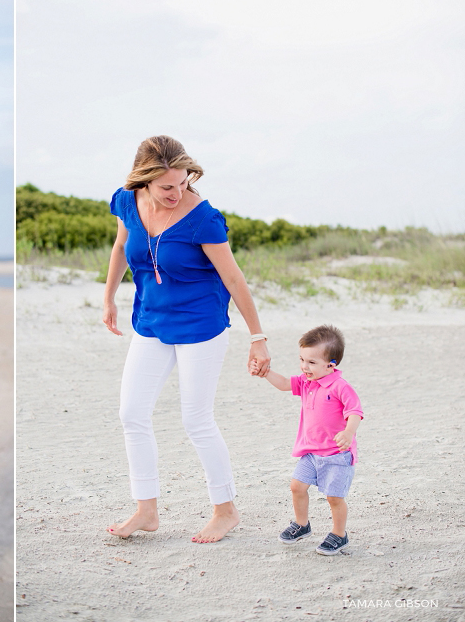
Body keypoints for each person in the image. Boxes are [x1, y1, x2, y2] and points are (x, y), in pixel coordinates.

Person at [103, 135, 271, 543]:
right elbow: (122, 246)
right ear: (143, 182)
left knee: (195, 419)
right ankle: (146, 510)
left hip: (200, 326)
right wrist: (108, 297)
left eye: (183, 182)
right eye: (166, 186)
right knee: (132, 413)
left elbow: (233, 277)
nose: (177, 192)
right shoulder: (127, 202)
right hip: (152, 323)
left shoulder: (204, 219)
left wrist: (257, 336)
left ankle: (225, 510)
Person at [252, 324, 363, 555]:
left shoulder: (340, 386)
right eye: (302, 360)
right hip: (311, 452)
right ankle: (302, 525)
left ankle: (339, 535)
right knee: (297, 487)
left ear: (331, 365)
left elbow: (355, 411)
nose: (304, 367)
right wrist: (265, 371)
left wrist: (348, 432)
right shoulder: (306, 382)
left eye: (311, 363)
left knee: (334, 498)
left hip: (337, 455)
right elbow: (284, 383)